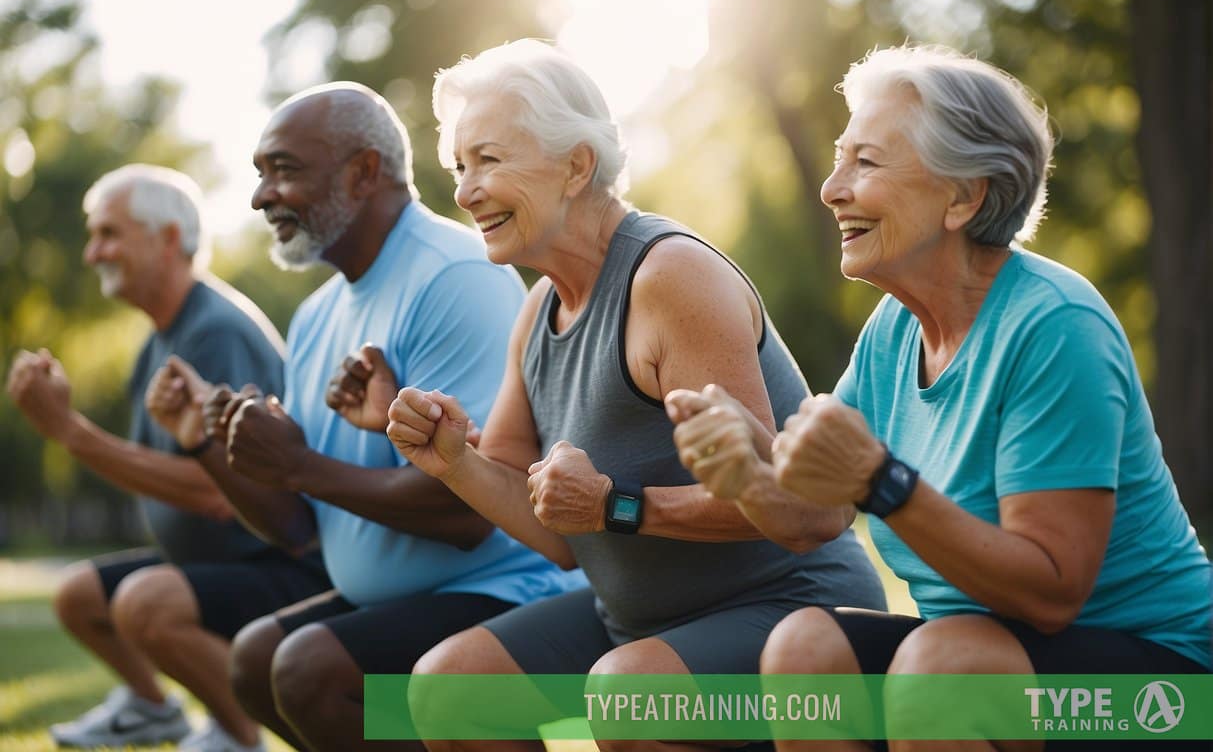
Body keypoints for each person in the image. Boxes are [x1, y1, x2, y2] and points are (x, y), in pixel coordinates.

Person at [675, 45, 1213, 752]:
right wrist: (749, 476)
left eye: (865, 163)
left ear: (965, 196)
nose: (831, 187)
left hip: (1159, 683)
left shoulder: (1052, 324)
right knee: (805, 645)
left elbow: (1050, 595)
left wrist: (881, 480)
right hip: (986, 652)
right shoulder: (894, 331)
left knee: (943, 669)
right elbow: (815, 515)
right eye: (838, 160)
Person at [384, 39, 886, 751]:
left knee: (629, 698)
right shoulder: (536, 314)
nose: (464, 191)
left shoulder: (669, 276)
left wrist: (614, 505)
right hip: (635, 623)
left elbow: (792, 503)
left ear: (574, 166)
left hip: (788, 609)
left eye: (488, 160)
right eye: (459, 167)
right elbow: (559, 537)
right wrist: (452, 462)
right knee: (449, 689)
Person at [147, 81, 578, 752]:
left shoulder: (453, 272)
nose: (262, 197)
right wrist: (213, 442)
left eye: (284, 170)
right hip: (397, 597)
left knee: (310, 669)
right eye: (259, 175)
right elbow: (299, 531)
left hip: (509, 590)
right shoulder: (317, 314)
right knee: (256, 660)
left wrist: (298, 463)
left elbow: (468, 514)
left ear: (363, 171)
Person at [5, 165, 331, 752]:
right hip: (208, 559)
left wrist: (70, 432)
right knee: (79, 596)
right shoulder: (159, 339)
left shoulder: (215, 333)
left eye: (109, 234)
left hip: (277, 562)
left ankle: (238, 738)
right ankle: (154, 711)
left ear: (168, 240)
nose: (92, 252)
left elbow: (217, 493)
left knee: (144, 603)